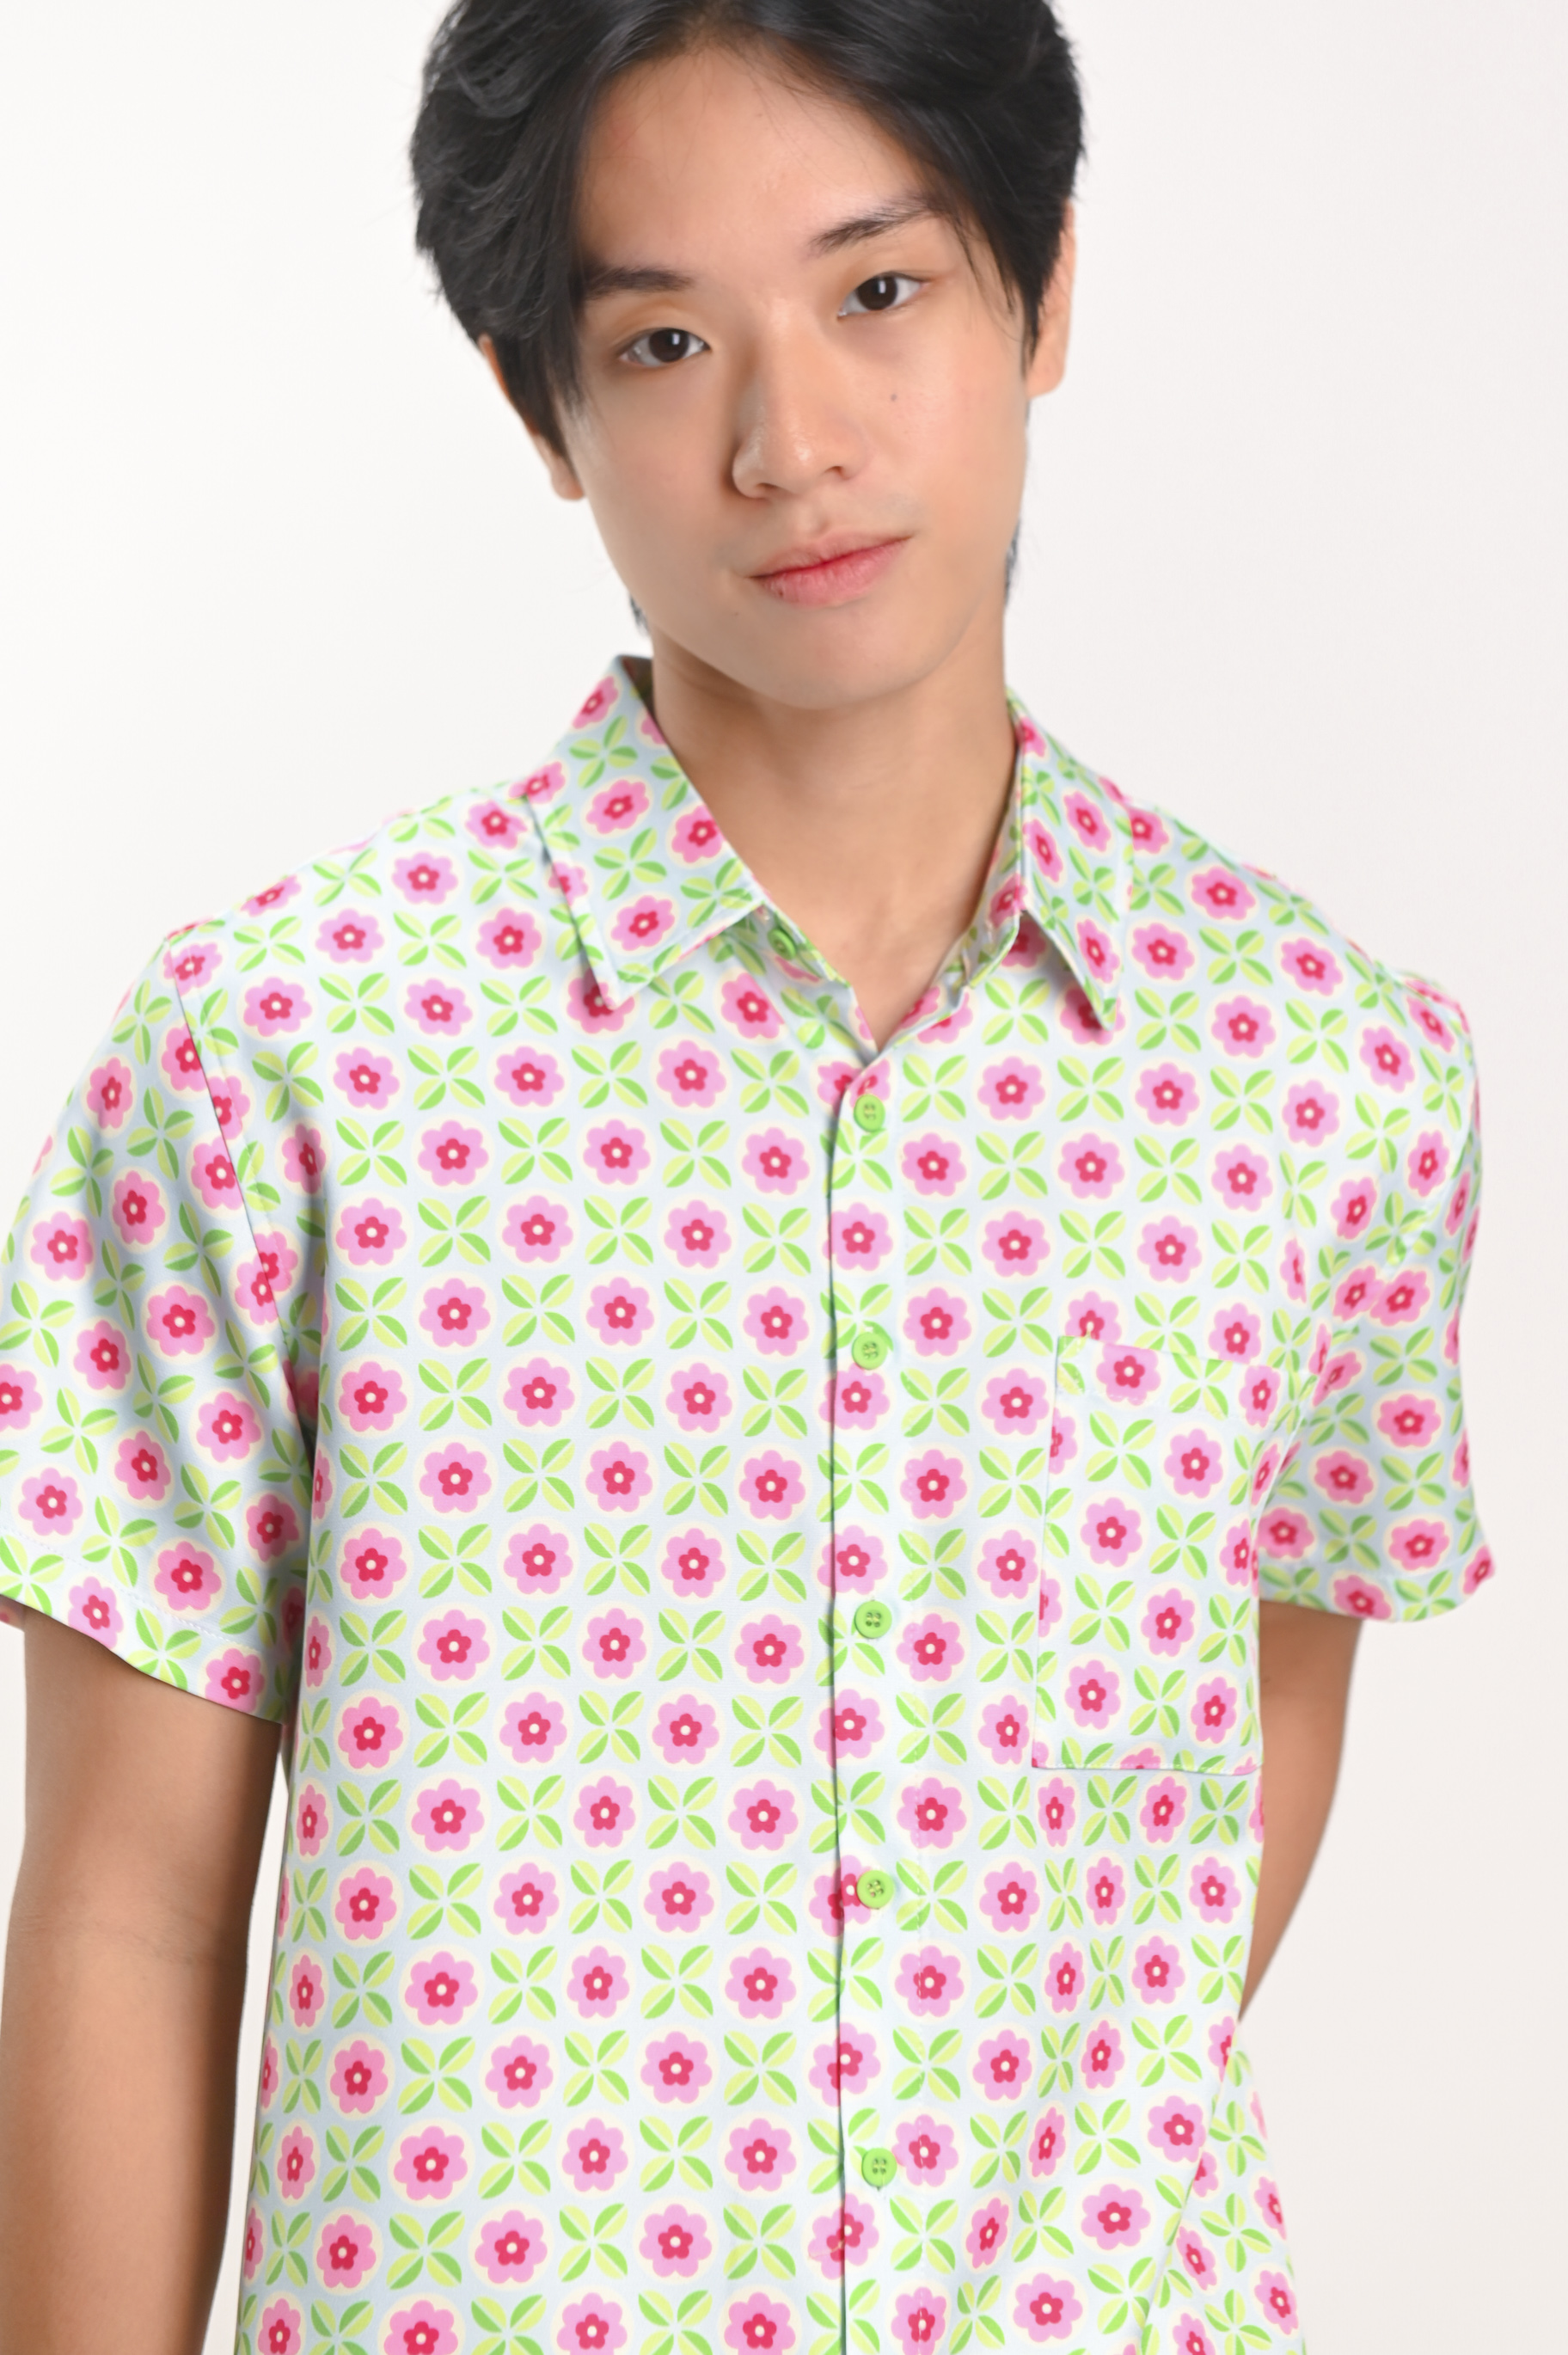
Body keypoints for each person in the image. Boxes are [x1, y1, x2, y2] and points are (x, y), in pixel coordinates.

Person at [0, 4, 1492, 2351]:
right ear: (542, 405)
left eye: (879, 290)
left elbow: (1264, 1694)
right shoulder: (282, 1062)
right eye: (669, 340)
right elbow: (126, 1909)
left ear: (1044, 288)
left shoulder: (1325, 1074)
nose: (793, 444)